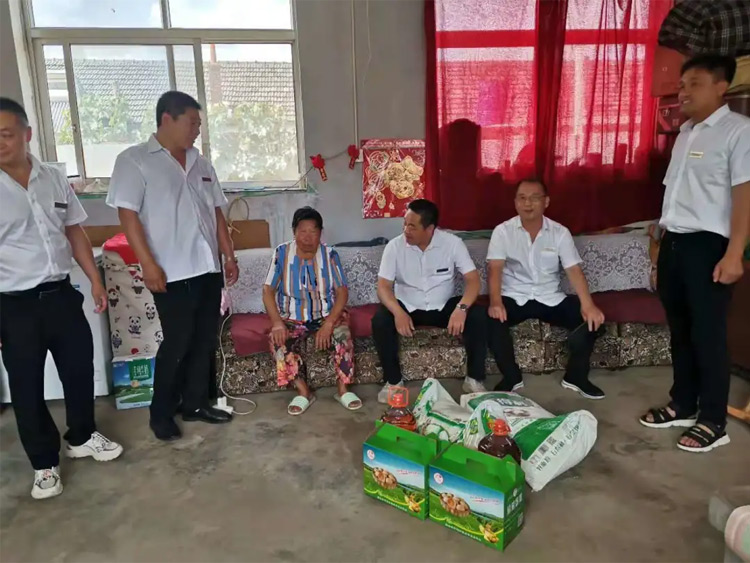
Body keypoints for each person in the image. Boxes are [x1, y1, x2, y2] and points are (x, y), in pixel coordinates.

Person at [0, 97, 123, 500]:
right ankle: (43, 463)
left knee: (79, 370)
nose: (0, 142)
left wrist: (95, 281)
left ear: (27, 134)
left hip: (61, 295)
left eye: (6, 134)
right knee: (26, 386)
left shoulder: (53, 177)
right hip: (13, 304)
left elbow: (74, 232)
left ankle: (82, 436)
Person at [107, 91, 239, 441]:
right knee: (177, 343)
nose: (197, 130)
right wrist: (147, 264)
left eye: (199, 124)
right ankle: (160, 413)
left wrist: (229, 255)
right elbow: (128, 217)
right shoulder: (135, 161)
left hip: (208, 268)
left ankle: (195, 404)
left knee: (204, 341)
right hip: (171, 271)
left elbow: (216, 214)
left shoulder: (201, 163)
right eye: (192, 122)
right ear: (168, 119)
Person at [640, 54, 750, 453]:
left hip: (710, 246)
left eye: (695, 84)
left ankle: (713, 419)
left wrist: (735, 253)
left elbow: (744, 196)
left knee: (708, 334)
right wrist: (659, 248)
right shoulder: (685, 134)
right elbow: (673, 197)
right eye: (682, 85)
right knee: (681, 330)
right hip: (675, 243)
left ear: (722, 86)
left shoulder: (739, 132)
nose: (683, 92)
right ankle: (683, 404)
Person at [486, 179, 606, 399]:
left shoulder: (559, 232)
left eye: (534, 198)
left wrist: (588, 305)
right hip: (515, 296)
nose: (527, 203)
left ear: (546, 201)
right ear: (515, 202)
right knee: (490, 320)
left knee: (592, 320)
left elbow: (573, 269)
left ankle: (576, 377)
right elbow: (495, 269)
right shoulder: (503, 231)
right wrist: (495, 302)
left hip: (550, 297)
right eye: (522, 198)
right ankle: (511, 377)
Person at [372, 199, 488, 402]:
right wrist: (398, 312)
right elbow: (383, 287)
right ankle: (393, 382)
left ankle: (474, 379)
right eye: (405, 224)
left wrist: (461, 308)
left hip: (442, 306)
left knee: (478, 315)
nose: (406, 230)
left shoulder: (452, 244)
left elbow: (473, 280)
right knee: (380, 320)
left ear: (430, 229)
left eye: (412, 226)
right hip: (407, 307)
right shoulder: (394, 247)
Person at [262, 207, 361, 415]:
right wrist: (277, 323)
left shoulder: (330, 254)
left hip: (325, 314)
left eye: (313, 231)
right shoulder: (282, 253)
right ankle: (304, 392)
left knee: (342, 335)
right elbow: (268, 290)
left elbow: (342, 291)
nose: (307, 237)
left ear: (320, 233)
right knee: (277, 341)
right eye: (302, 231)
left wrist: (329, 323)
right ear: (294, 232)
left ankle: (343, 390)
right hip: (291, 317)